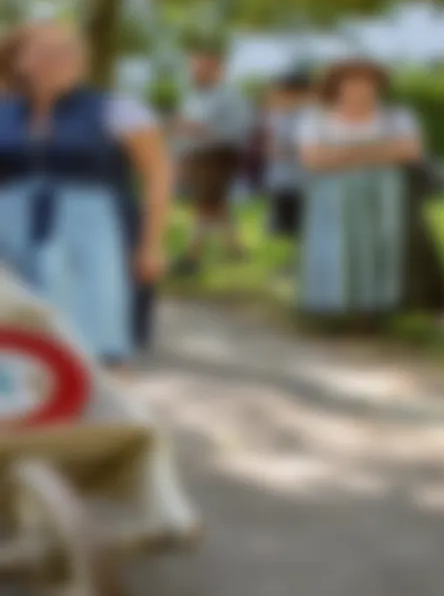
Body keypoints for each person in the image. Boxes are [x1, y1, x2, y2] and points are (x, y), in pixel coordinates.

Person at [0, 21, 172, 363]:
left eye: (69, 51)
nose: (60, 58)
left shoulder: (118, 110)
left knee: (93, 332)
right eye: (46, 51)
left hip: (94, 238)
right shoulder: (5, 112)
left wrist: (151, 244)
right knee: (19, 339)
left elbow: (158, 175)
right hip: (11, 235)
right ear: (20, 60)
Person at [297, 60, 442, 322]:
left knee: (383, 247)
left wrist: (343, 154)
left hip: (384, 195)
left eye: (367, 84)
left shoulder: (397, 116)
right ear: (337, 87)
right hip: (333, 199)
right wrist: (378, 151)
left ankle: (375, 309)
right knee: (337, 248)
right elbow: (313, 158)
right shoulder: (317, 118)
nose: (360, 90)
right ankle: (332, 307)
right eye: (352, 84)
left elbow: (410, 151)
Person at [173, 43, 253, 275]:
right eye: (194, 66)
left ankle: (191, 256)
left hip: (218, 156)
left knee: (205, 205)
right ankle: (237, 250)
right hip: (197, 156)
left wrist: (199, 130)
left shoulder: (231, 96)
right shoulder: (194, 95)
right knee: (216, 204)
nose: (196, 71)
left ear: (218, 69)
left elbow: (238, 130)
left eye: (202, 67)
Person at [262, 68, 314, 242]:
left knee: (306, 227)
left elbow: (308, 146)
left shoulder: (310, 116)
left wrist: (283, 150)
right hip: (282, 180)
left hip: (304, 182)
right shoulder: (276, 115)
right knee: (287, 230)